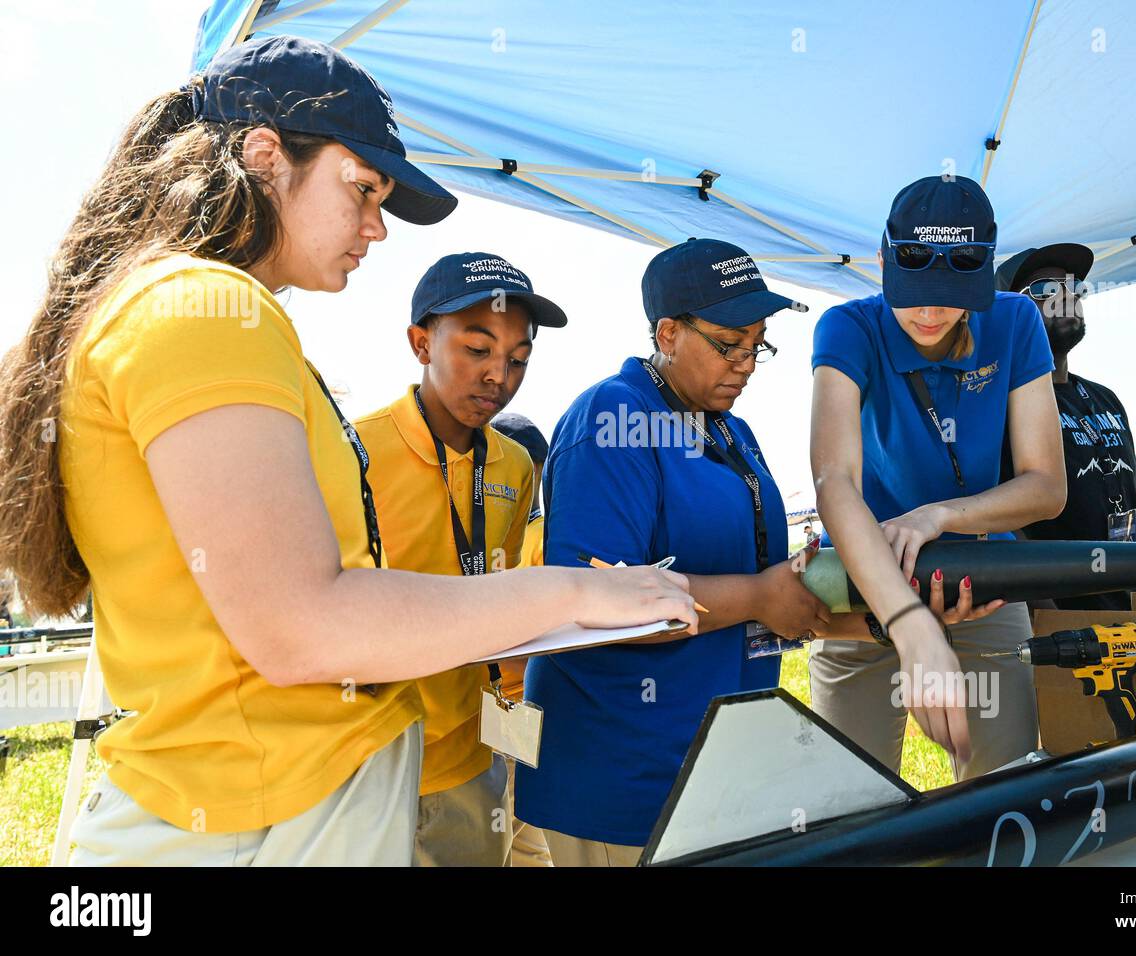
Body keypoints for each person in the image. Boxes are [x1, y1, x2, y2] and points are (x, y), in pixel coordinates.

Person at [0, 36, 695, 867]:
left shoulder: (184, 307)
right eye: (363, 190)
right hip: (264, 823)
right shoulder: (205, 304)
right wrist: (574, 593)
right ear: (264, 157)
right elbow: (302, 625)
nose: (377, 229)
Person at [515, 238, 832, 866]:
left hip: (718, 760)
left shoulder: (732, 430)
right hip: (626, 770)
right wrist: (760, 596)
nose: (745, 362)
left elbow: (762, 582)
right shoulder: (613, 415)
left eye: (757, 345)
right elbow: (596, 605)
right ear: (667, 332)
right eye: (728, 343)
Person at [808, 175, 1067, 778]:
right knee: (847, 797)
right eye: (913, 291)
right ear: (881, 260)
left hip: (985, 578)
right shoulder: (846, 327)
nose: (929, 312)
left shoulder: (1018, 321)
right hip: (864, 580)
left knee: (1000, 791)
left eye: (951, 294)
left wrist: (938, 516)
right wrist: (905, 620)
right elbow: (833, 481)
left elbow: (1046, 486)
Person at [355, 254, 566, 866]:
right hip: (371, 756)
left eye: (519, 358)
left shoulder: (516, 464)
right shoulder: (357, 448)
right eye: (477, 349)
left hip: (474, 754)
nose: (498, 375)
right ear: (421, 342)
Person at [995, 244, 1136, 612]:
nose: (1066, 298)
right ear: (1008, 312)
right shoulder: (1000, 407)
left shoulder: (1105, 398)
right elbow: (1009, 526)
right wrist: (1049, 622)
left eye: (1073, 288)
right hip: (1064, 627)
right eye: (1045, 291)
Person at [490, 411, 553, 867]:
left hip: (511, 706)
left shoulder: (536, 535)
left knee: (511, 832)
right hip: (508, 705)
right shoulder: (530, 532)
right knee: (524, 835)